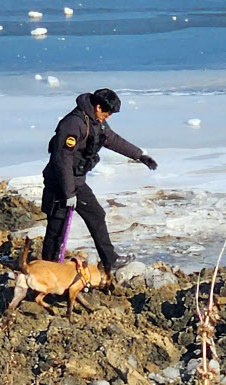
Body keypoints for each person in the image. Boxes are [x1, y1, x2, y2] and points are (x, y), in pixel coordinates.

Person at [40, 88, 157, 274]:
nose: (108, 117)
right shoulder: (73, 124)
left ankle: (110, 260)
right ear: (98, 106)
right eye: (107, 112)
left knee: (96, 214)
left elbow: (112, 139)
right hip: (59, 184)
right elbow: (62, 161)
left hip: (77, 182)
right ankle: (49, 270)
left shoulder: (96, 122)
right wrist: (68, 193)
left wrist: (139, 155)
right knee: (57, 229)